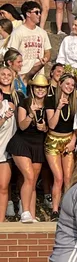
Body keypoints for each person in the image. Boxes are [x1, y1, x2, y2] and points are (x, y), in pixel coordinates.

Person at [8, 74, 49, 223]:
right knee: (29, 177)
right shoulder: (25, 103)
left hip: (37, 144)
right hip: (22, 142)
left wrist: (44, 127)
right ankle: (24, 211)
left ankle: (31, 215)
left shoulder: (48, 104)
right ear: (32, 88)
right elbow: (22, 125)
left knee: (32, 180)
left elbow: (50, 126)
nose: (40, 90)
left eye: (43, 87)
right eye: (38, 86)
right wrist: (31, 115)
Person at [44, 73, 77, 215]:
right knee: (58, 177)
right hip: (53, 140)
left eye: (72, 85)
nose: (70, 87)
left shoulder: (76, 101)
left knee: (68, 178)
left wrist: (73, 141)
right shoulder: (51, 99)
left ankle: (67, 209)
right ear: (60, 84)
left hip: (68, 140)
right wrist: (58, 107)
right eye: (67, 84)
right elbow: (51, 124)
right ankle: (55, 210)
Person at [8, 1, 51, 78]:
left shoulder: (43, 32)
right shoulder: (17, 32)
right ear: (28, 14)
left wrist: (45, 59)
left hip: (38, 75)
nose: (39, 15)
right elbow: (12, 54)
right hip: (22, 73)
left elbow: (47, 51)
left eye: (40, 12)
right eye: (37, 12)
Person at [0, 67, 15, 222]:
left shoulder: (9, 105)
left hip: (4, 152)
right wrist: (3, 119)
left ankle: (1, 221)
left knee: (4, 187)